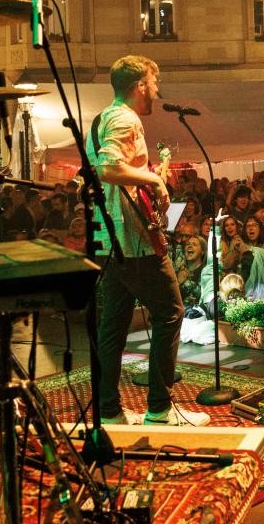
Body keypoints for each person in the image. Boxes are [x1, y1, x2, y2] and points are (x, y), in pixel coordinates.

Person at [87, 55, 207, 427]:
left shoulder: (100, 119)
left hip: (109, 239)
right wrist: (154, 181)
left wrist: (147, 173)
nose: (157, 90)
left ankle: (109, 411)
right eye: (154, 83)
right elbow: (108, 168)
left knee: (114, 324)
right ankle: (158, 408)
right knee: (171, 313)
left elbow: (111, 171)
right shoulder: (125, 118)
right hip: (134, 240)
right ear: (140, 85)